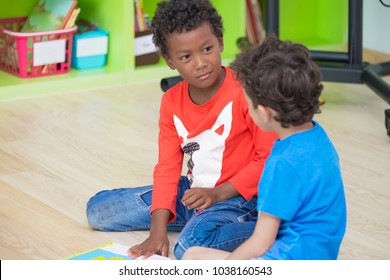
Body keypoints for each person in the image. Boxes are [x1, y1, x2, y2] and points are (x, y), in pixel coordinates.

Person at [85, 0, 277, 260]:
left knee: (190, 246)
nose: (200, 63)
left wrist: (219, 193)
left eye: (207, 49)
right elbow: (166, 167)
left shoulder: (246, 90)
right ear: (170, 60)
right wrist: (157, 230)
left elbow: (267, 159)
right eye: (186, 57)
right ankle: (200, 221)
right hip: (195, 191)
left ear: (220, 42)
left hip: (239, 196)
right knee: (98, 211)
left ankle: (272, 230)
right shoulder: (171, 101)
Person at [183, 35, 347, 260]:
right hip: (323, 255)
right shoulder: (318, 137)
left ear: (264, 112)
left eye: (247, 104)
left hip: (287, 260)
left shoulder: (281, 163)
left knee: (191, 255)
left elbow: (261, 242)